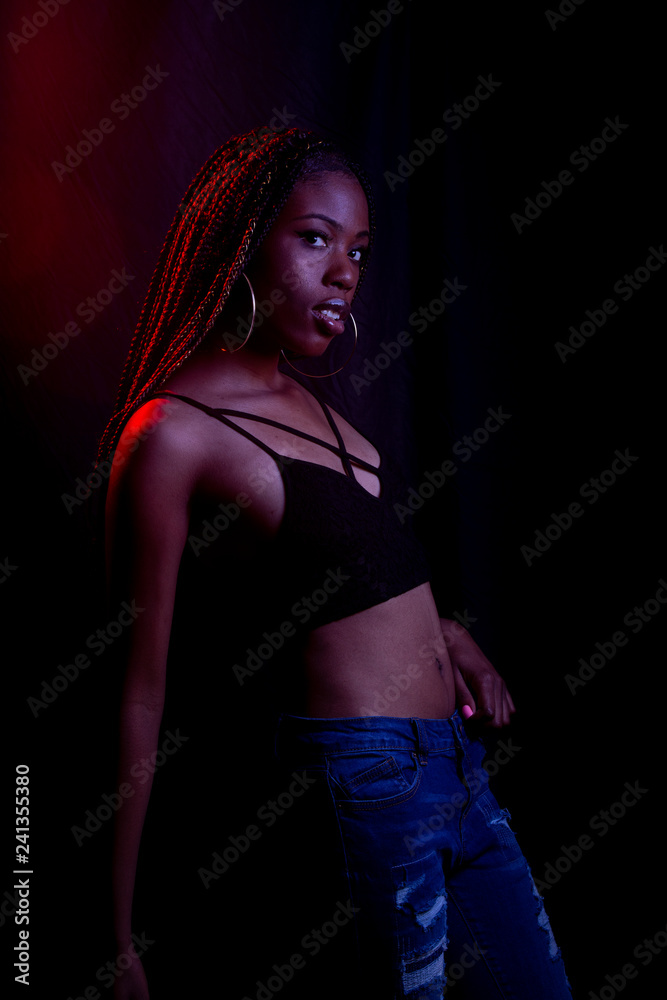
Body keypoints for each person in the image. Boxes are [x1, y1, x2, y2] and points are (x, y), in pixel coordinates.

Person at [99, 126, 572, 999]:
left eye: (356, 249)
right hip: (368, 780)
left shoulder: (318, 412)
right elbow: (133, 690)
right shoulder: (171, 434)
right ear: (244, 239)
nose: (345, 271)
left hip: (457, 768)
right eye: (315, 238)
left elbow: (346, 575)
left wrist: (448, 631)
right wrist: (112, 931)